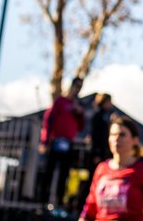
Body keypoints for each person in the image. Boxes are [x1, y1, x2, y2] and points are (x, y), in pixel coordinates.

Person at [79, 114, 143, 221]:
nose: (116, 139)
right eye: (113, 134)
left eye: (122, 135)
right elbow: (90, 209)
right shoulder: (101, 169)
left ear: (135, 140)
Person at [40, 76, 86, 206]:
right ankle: (43, 201)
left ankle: (59, 203)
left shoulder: (78, 106)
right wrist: (45, 141)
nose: (77, 89)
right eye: (76, 86)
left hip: (68, 143)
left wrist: (80, 113)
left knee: (64, 174)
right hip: (55, 142)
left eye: (80, 87)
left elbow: (81, 127)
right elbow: (48, 120)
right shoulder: (60, 101)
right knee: (49, 171)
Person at [90, 93, 115, 176]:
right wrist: (96, 153)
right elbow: (95, 136)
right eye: (109, 101)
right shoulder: (97, 115)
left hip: (105, 152)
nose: (111, 104)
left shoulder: (108, 115)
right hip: (98, 153)